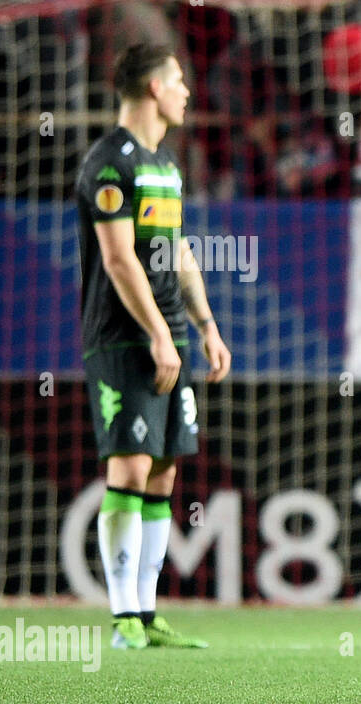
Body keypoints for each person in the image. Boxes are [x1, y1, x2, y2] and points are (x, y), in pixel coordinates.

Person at [75, 44, 231, 650]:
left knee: (164, 471)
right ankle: (120, 619)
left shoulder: (164, 163)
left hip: (168, 335)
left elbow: (178, 249)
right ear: (151, 89)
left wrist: (206, 325)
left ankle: (144, 612)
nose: (187, 90)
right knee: (130, 467)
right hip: (121, 338)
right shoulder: (108, 164)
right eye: (177, 80)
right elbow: (117, 259)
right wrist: (159, 334)